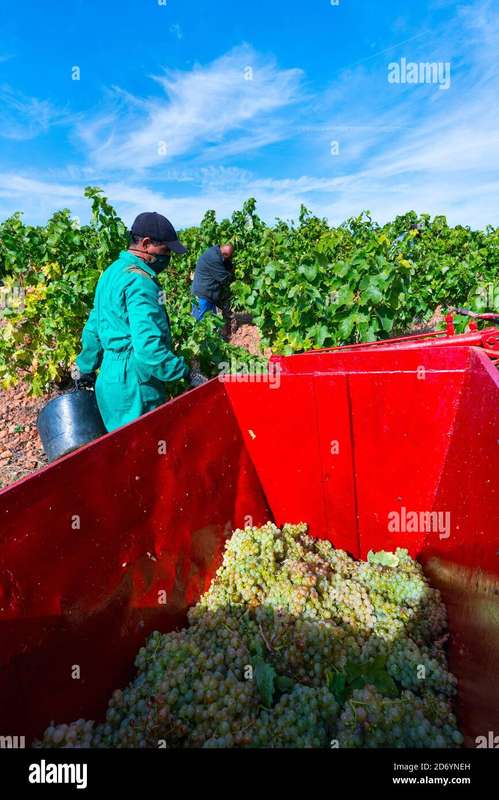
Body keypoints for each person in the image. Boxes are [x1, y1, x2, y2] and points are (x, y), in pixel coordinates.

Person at [73, 211, 207, 433]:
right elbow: (148, 350)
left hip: (109, 381)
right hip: (136, 384)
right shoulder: (141, 282)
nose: (168, 257)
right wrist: (185, 374)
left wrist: (85, 368)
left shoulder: (110, 273)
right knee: (146, 452)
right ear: (146, 244)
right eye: (166, 250)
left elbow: (93, 328)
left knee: (121, 452)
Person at [191, 244, 236, 337]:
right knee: (200, 324)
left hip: (209, 294)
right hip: (202, 295)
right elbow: (224, 278)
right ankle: (199, 349)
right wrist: (232, 274)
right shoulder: (214, 258)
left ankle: (213, 344)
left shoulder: (216, 252)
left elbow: (226, 264)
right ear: (225, 255)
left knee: (211, 323)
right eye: (229, 257)